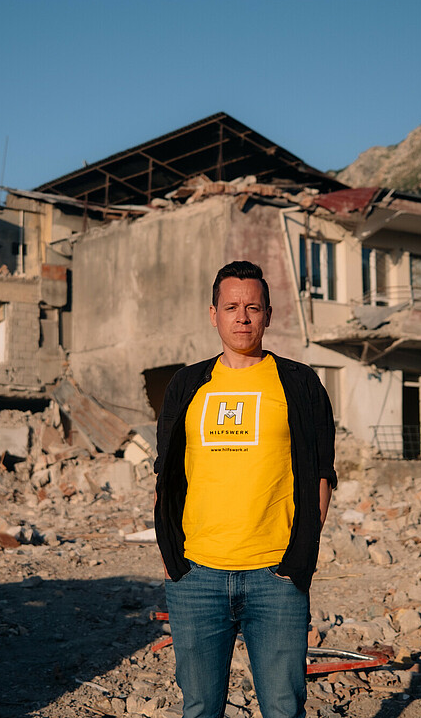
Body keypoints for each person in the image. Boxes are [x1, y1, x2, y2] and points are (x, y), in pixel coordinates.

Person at [154, 260, 337, 718]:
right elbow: (167, 476)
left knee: (282, 708)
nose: (242, 317)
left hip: (275, 577)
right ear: (212, 314)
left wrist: (298, 561)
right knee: (199, 708)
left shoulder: (299, 383)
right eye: (231, 306)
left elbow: (321, 473)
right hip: (197, 576)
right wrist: (174, 560)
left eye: (253, 307)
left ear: (268, 315)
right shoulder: (187, 384)